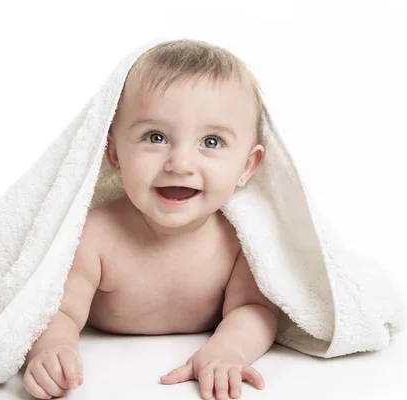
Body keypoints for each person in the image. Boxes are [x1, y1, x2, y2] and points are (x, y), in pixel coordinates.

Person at [22, 39, 280, 400]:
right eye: (155, 137)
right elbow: (57, 311)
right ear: (114, 154)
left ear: (247, 166)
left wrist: (227, 352)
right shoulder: (96, 236)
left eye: (211, 141)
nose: (180, 163)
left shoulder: (238, 242)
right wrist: (52, 349)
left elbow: (255, 310)